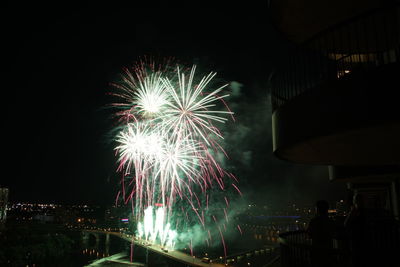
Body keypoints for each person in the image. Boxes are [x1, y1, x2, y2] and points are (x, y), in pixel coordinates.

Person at [307, 200, 335, 267]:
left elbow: (309, 234)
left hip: (316, 252)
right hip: (328, 251)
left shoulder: (314, 221)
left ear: (318, 209)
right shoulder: (330, 221)